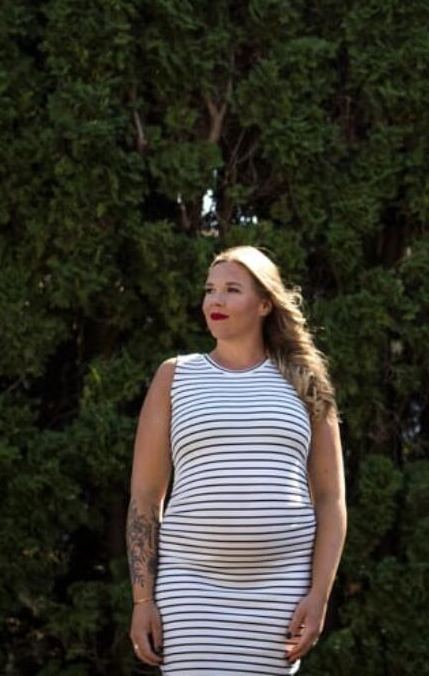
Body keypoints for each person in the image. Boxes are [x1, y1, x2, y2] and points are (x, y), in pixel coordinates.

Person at [126, 245, 347, 674]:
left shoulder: (306, 383)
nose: (216, 301)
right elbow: (145, 497)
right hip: (189, 591)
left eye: (231, 289)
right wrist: (142, 600)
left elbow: (331, 499)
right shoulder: (174, 376)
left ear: (265, 303)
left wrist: (319, 595)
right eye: (210, 290)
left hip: (279, 594)